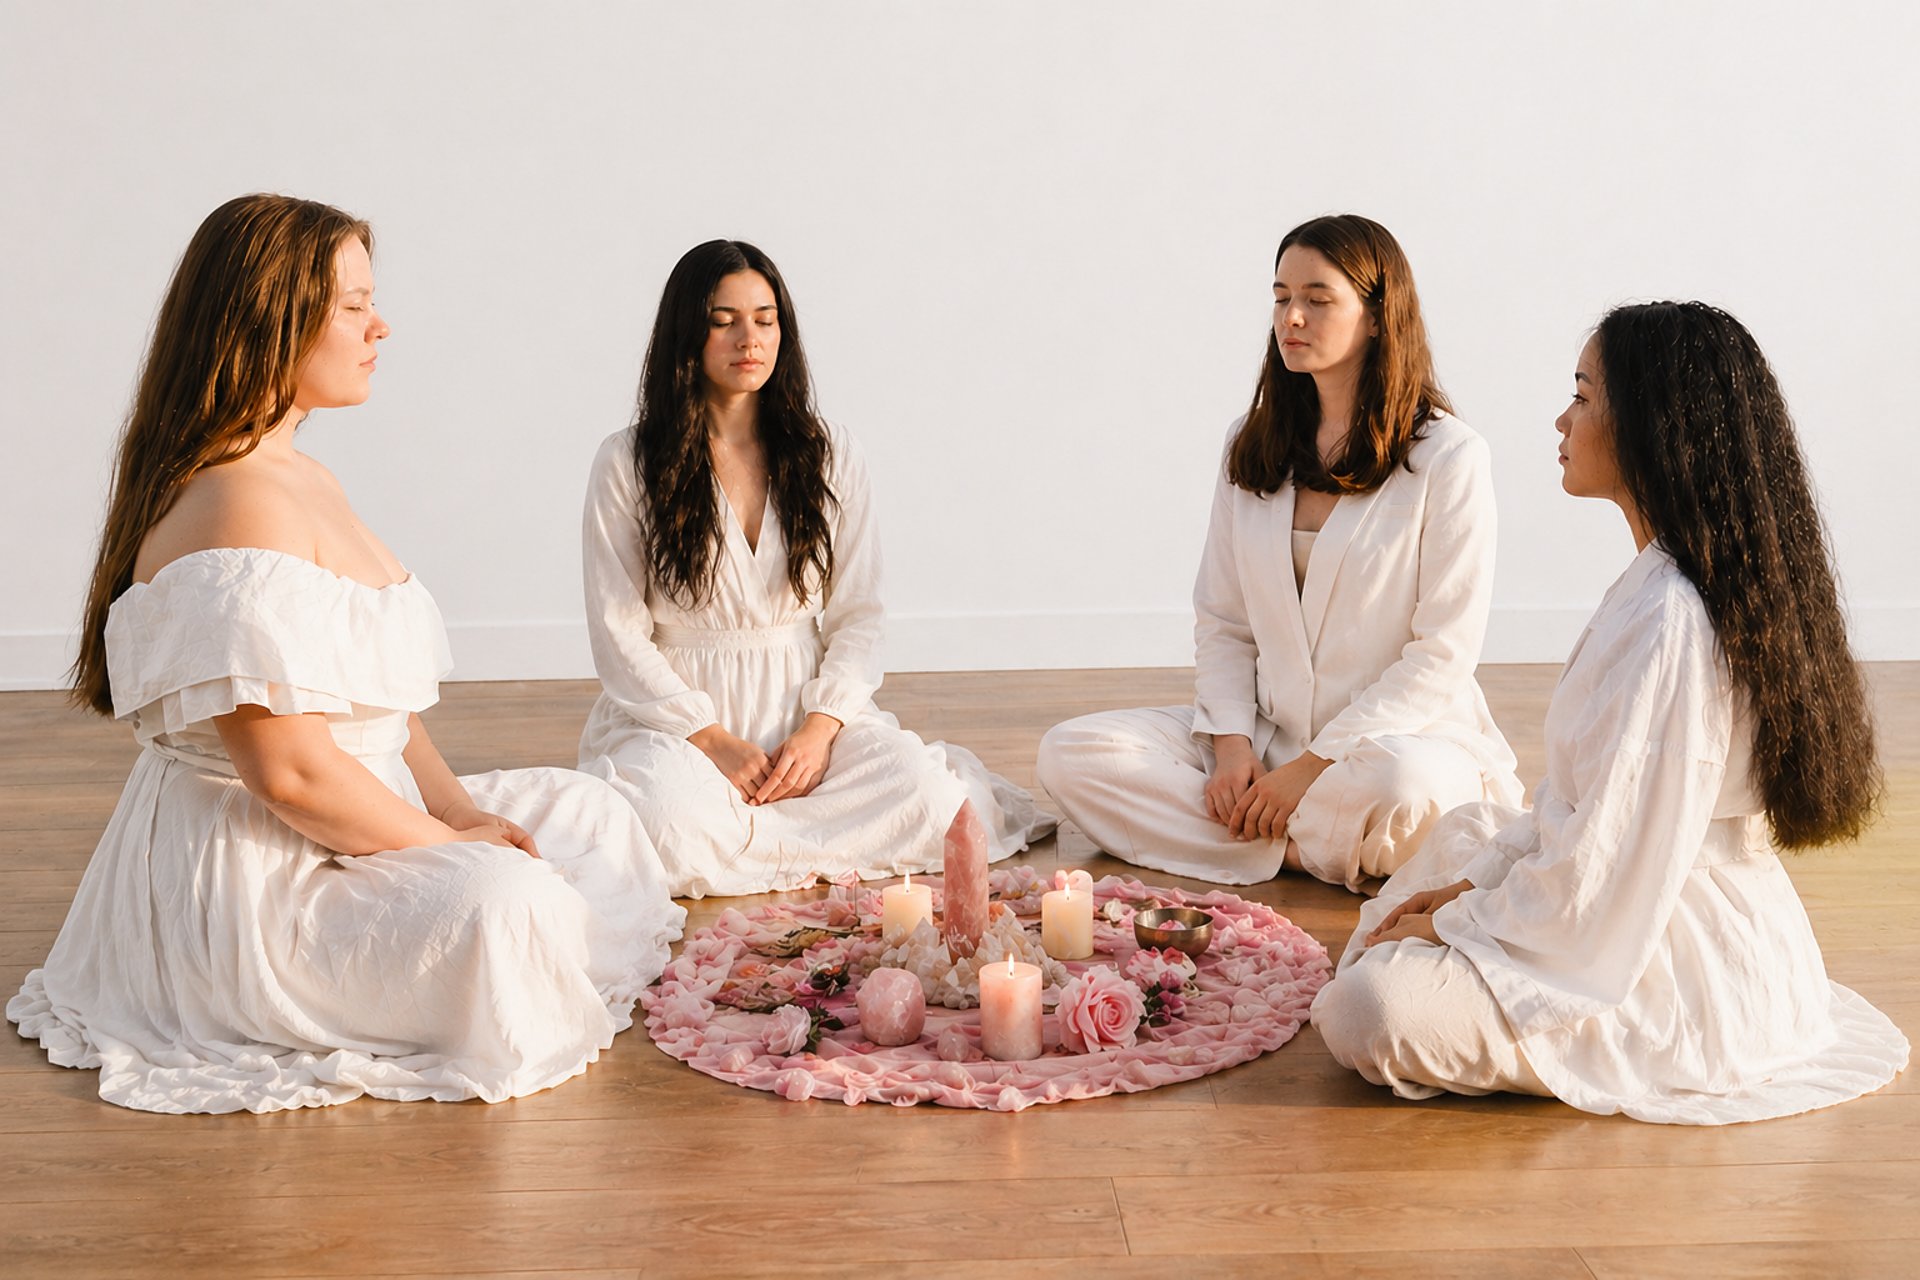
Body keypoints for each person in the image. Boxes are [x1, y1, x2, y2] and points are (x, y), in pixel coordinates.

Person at [7, 194, 685, 1114]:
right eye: (355, 304)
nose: (381, 326)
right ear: (273, 319)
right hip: (268, 878)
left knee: (588, 812)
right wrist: (454, 846)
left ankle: (527, 918)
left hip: (357, 813)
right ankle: (517, 942)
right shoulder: (236, 505)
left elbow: (381, 704)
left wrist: (457, 808)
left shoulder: (298, 473)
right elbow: (288, 777)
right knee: (507, 903)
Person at [1311, 301, 1909, 1123]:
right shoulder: (1661, 581)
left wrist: (1460, 921)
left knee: (1368, 1010)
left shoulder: (1671, 617)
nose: (1563, 418)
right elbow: (1579, 817)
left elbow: (1606, 872)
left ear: (1652, 424)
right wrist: (1460, 895)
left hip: (1657, 953)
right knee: (1463, 837)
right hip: (1617, 897)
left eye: (1584, 396)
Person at [1037, 214, 1521, 890]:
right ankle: (1310, 849)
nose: (1292, 316)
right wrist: (1232, 749)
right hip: (1269, 738)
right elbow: (1225, 621)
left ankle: (1258, 840)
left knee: (1409, 791)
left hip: (1392, 746)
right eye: (1281, 296)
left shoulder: (1449, 456)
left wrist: (1309, 771)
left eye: (1318, 300)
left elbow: (1441, 655)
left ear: (1379, 316)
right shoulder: (1253, 443)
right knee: (1072, 754)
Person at [578, 239, 1053, 898]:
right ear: (687, 333)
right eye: (724, 320)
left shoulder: (828, 452)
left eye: (765, 319)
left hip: (802, 716)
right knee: (663, 822)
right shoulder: (627, 462)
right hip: (681, 729)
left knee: (928, 797)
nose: (750, 338)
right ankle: (756, 830)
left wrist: (820, 729)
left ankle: (752, 840)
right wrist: (714, 742)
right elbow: (618, 634)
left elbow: (861, 616)